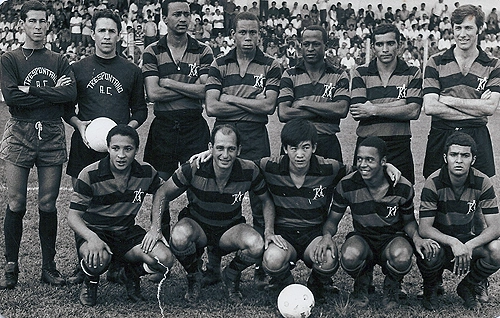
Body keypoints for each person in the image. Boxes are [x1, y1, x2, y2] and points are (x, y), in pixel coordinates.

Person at [65, 8, 148, 284]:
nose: (107, 36)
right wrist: (79, 125)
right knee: (84, 206)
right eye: (101, 30)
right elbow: (67, 108)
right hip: (85, 147)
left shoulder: (131, 70)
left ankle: (116, 262)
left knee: (117, 203)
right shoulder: (77, 68)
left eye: (112, 30)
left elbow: (140, 111)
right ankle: (85, 262)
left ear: (119, 34)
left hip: (118, 151)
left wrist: (124, 134)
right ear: (92, 33)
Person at [151, 124, 276, 303]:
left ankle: (231, 275)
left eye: (231, 149)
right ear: (210, 148)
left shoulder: (249, 170)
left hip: (229, 229)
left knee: (256, 245)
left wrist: (269, 230)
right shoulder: (194, 167)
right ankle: (194, 276)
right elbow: (163, 193)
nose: (225, 155)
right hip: (198, 226)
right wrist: (156, 227)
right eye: (220, 148)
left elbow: (266, 200)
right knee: (179, 237)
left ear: (239, 149)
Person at [0, 0, 77, 290]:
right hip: (19, 130)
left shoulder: (58, 59)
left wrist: (31, 89)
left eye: (43, 21)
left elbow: (69, 94)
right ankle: (11, 266)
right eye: (32, 21)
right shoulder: (10, 58)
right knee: (16, 201)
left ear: (48, 23)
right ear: (22, 24)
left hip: (52, 132)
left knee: (47, 203)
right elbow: (12, 98)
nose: (38, 26)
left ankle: (48, 267)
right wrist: (51, 94)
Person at [205, 11, 281, 285]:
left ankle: (262, 267)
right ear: (233, 34)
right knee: (218, 195)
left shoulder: (271, 65)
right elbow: (212, 106)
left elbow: (268, 106)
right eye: (242, 32)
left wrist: (231, 97)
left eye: (253, 33)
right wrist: (251, 99)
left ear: (259, 34)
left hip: (255, 136)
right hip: (224, 134)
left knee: (261, 199)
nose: (248, 38)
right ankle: (213, 267)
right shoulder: (219, 64)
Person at [68, 125, 174, 306]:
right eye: (116, 148)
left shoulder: (146, 172)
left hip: (126, 232)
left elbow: (163, 192)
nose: (121, 155)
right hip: (96, 231)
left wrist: (155, 227)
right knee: (98, 259)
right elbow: (73, 217)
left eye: (128, 149)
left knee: (165, 260)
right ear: (108, 148)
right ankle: (90, 282)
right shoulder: (89, 174)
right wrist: (92, 238)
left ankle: (129, 274)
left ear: (136, 150)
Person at [329, 137, 437, 309]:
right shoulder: (347, 184)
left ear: (383, 162)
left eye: (370, 160)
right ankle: (362, 282)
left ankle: (392, 287)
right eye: (359, 159)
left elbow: (408, 220)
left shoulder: (402, 186)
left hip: (392, 238)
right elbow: (332, 219)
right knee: (349, 255)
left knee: (402, 255)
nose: (363, 164)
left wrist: (416, 238)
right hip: (363, 238)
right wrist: (327, 236)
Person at [142, 0, 214, 240]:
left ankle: (193, 246)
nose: (183, 19)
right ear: (165, 18)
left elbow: (206, 91)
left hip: (194, 126)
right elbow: (153, 93)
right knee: (160, 186)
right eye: (177, 14)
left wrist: (171, 82)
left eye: (187, 14)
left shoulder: (203, 50)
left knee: (198, 186)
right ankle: (161, 246)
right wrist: (190, 88)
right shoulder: (152, 51)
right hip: (163, 127)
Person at [260, 119, 343, 302]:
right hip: (284, 235)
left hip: (313, 234)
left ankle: (317, 283)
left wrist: (386, 166)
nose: (299, 154)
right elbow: (238, 164)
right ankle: (285, 284)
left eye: (305, 147)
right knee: (272, 259)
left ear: (314, 147)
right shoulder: (270, 166)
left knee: (328, 258)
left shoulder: (329, 168)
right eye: (293, 148)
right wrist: (211, 153)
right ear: (284, 148)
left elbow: (360, 171)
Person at [417, 132, 500, 310]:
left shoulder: (483, 182)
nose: (459, 160)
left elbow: (495, 228)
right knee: (428, 249)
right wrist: (453, 242)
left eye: (465, 155)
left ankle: (468, 286)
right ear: (445, 157)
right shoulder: (433, 181)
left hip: (468, 241)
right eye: (454, 155)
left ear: (473, 159)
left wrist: (468, 245)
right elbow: (424, 228)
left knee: (497, 250)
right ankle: (431, 287)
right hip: (441, 243)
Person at [422, 4, 500, 179]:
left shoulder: (493, 64)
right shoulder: (435, 62)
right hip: (441, 134)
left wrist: (448, 100)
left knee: (479, 193)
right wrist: (477, 109)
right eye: (458, 28)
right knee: (437, 193)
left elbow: (489, 108)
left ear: (480, 29)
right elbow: (431, 107)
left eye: (468, 28)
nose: (462, 34)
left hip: (477, 136)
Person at [350, 23, 422, 184]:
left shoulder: (412, 72)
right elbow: (357, 111)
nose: (385, 49)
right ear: (373, 47)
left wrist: (373, 109)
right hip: (367, 145)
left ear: (399, 45)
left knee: (402, 197)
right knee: (365, 200)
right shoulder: (361, 72)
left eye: (390, 43)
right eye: (380, 44)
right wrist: (400, 103)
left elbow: (413, 111)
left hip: (399, 145)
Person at [278, 25, 349, 162]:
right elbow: (284, 113)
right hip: (295, 142)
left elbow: (341, 109)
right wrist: (326, 112)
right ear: (301, 46)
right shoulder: (289, 74)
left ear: (325, 46)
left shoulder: (339, 75)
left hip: (327, 143)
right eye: (306, 44)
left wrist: (304, 103)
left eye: (316, 44)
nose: (310, 49)